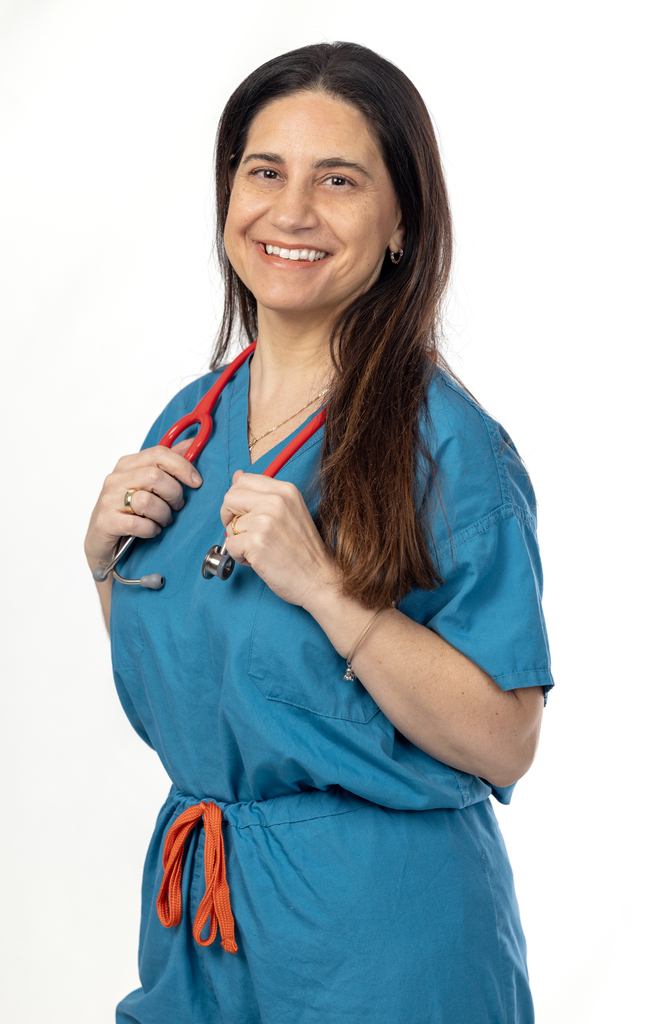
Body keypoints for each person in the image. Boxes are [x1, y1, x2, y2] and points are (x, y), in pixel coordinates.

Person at [85, 41, 553, 1024]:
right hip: (200, 922)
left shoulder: (446, 448)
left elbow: (506, 742)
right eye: (265, 172)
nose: (290, 211)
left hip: (377, 934)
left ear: (401, 221)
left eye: (337, 180)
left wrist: (329, 590)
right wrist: (103, 568)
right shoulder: (188, 423)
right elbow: (199, 690)